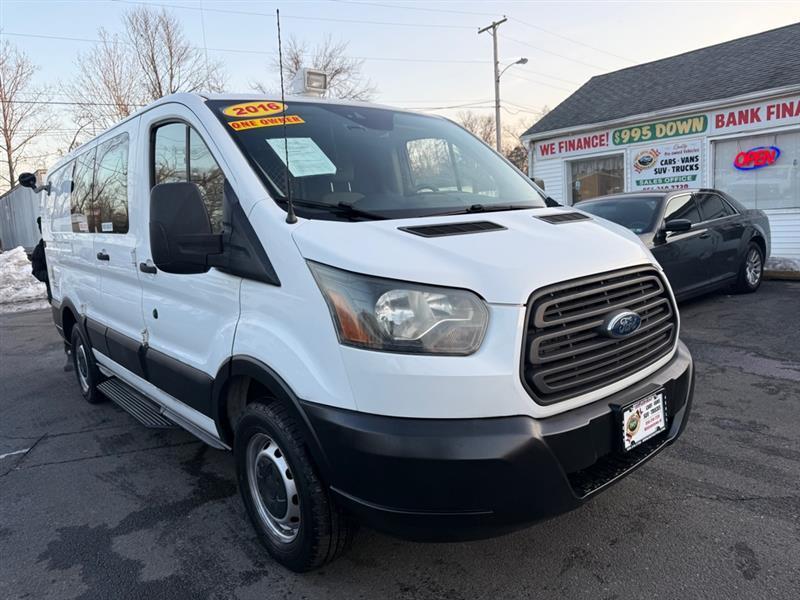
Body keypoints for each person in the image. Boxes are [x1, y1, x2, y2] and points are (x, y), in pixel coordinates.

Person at [30, 217, 51, 301]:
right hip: (55, 292)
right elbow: (37, 271)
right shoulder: (39, 250)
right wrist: (51, 276)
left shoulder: (65, 245)